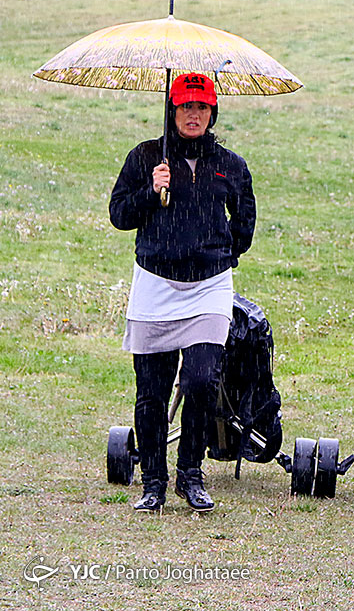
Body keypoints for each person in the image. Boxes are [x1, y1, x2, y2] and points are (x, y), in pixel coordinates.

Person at [109, 73, 256, 512]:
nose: (194, 114)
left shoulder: (231, 164)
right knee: (151, 391)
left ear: (213, 113)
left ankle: (190, 474)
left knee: (201, 380)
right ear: (173, 110)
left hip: (208, 289)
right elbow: (119, 214)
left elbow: (244, 225)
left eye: (202, 107)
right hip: (155, 285)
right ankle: (153, 480)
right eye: (186, 106)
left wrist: (217, 252)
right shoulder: (145, 158)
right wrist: (152, 192)